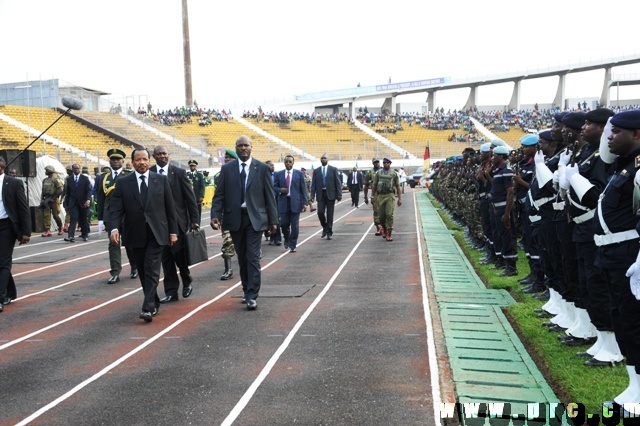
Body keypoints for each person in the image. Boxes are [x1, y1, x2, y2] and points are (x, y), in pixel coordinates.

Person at [108, 148, 178, 322]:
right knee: (142, 269)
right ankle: (153, 301)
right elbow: (116, 209)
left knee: (151, 268)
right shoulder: (124, 183)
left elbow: (170, 208)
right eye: (138, 160)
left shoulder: (160, 180)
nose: (142, 162)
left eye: (145, 159)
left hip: (157, 232)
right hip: (135, 233)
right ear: (132, 162)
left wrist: (173, 231)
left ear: (149, 161)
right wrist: (114, 229)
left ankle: (147, 307)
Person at [210, 135, 278, 310]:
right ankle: (246, 288)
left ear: (251, 147)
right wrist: (215, 214)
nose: (243, 148)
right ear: (236, 147)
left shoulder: (262, 168)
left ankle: (252, 294)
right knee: (242, 257)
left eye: (246, 145)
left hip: (256, 218)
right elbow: (219, 195)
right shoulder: (227, 169)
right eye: (239, 146)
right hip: (234, 218)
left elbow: (269, 196)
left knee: (253, 256)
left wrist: (273, 221)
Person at [151, 146, 199, 303]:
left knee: (178, 255)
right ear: (154, 156)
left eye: (165, 153)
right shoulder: (150, 172)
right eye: (159, 154)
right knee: (166, 258)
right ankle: (171, 291)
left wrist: (195, 220)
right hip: (158, 224)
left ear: (168, 155)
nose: (162, 156)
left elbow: (190, 198)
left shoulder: (178, 173)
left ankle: (187, 281)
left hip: (177, 222)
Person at [96, 149, 138, 284]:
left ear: (123, 161)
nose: (115, 161)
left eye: (118, 159)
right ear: (109, 161)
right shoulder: (104, 177)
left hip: (127, 215)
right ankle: (115, 271)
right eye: (113, 159)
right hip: (111, 215)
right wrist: (101, 218)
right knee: (113, 244)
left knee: (129, 242)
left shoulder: (129, 175)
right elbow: (101, 198)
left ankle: (134, 266)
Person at [0, 157, 31, 313]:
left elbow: (23, 207)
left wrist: (26, 231)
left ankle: (0, 298)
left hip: (6, 226)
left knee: (4, 261)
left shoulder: (14, 183)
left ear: (1, 167)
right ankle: (8, 292)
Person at [273, 154, 308, 253]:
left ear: (293, 163)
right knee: (283, 224)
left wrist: (305, 202)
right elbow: (274, 187)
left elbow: (303, 189)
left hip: (296, 203)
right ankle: (287, 238)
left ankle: (293, 244)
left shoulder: (299, 174)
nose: (288, 163)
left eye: (290, 162)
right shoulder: (278, 174)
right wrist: (280, 190)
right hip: (283, 202)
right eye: (286, 161)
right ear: (284, 162)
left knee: (295, 226)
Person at [215, 149, 239, 280]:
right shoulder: (220, 175)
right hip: (227, 216)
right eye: (226, 159)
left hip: (243, 216)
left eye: (230, 158)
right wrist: (216, 215)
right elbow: (218, 196)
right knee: (227, 243)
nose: (227, 160)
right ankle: (228, 269)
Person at [310, 154, 342, 240]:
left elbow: (337, 182)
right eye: (322, 158)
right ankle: (324, 226)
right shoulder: (316, 171)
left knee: (330, 214)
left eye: (325, 158)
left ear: (328, 159)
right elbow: (313, 184)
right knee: (320, 212)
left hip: (331, 194)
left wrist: (339, 194)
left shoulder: (333, 169)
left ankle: (329, 232)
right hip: (320, 194)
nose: (323, 159)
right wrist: (312, 195)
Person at [371, 158, 402, 241]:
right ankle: (384, 228)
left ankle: (389, 233)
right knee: (381, 216)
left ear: (390, 164)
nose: (387, 164)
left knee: (389, 214)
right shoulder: (378, 173)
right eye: (385, 163)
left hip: (390, 195)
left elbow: (398, 186)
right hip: (380, 196)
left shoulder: (394, 174)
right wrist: (372, 196)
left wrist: (399, 198)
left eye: (388, 163)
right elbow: (374, 185)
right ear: (383, 164)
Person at [63, 163, 92, 242]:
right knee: (73, 218)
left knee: (83, 219)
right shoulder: (69, 179)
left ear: (80, 169)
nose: (76, 170)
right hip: (73, 202)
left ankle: (85, 234)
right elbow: (68, 192)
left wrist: (88, 200)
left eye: (78, 168)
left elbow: (89, 190)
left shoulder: (85, 178)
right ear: (72, 169)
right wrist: (66, 203)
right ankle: (71, 236)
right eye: (75, 169)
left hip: (83, 202)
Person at [40, 165, 63, 237]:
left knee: (55, 215)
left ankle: (60, 227)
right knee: (46, 215)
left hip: (54, 200)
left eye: (46, 171)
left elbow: (60, 190)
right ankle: (47, 230)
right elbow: (43, 191)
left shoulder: (56, 179)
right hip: (46, 200)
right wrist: (42, 199)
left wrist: (54, 198)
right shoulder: (45, 180)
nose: (45, 172)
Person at [265, 160, 282, 245]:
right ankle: (271, 236)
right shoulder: (262, 176)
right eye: (271, 166)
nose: (273, 167)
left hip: (276, 199)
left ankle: (277, 238)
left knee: (276, 219)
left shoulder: (277, 175)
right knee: (268, 220)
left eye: (273, 165)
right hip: (266, 200)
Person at [186, 160, 205, 224]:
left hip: (197, 197)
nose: (192, 167)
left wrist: (201, 196)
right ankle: (190, 226)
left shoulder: (199, 175)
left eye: (193, 166)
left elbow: (202, 186)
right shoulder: (187, 175)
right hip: (188, 197)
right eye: (191, 166)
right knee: (188, 213)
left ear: (196, 166)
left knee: (197, 213)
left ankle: (197, 225)